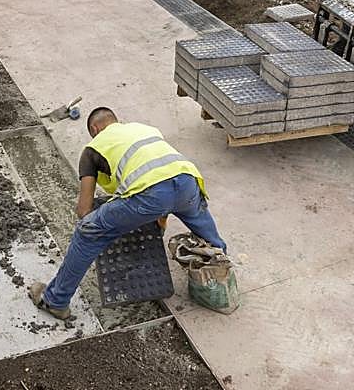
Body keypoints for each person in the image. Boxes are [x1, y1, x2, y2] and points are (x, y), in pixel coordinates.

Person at [29, 107, 226, 320]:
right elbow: (164, 175)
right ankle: (222, 279)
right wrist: (159, 222)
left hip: (150, 194)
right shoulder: (144, 129)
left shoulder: (92, 149)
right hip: (188, 182)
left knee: (87, 232)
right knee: (210, 238)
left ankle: (55, 301)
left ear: (95, 129)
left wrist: (103, 226)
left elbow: (84, 210)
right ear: (116, 121)